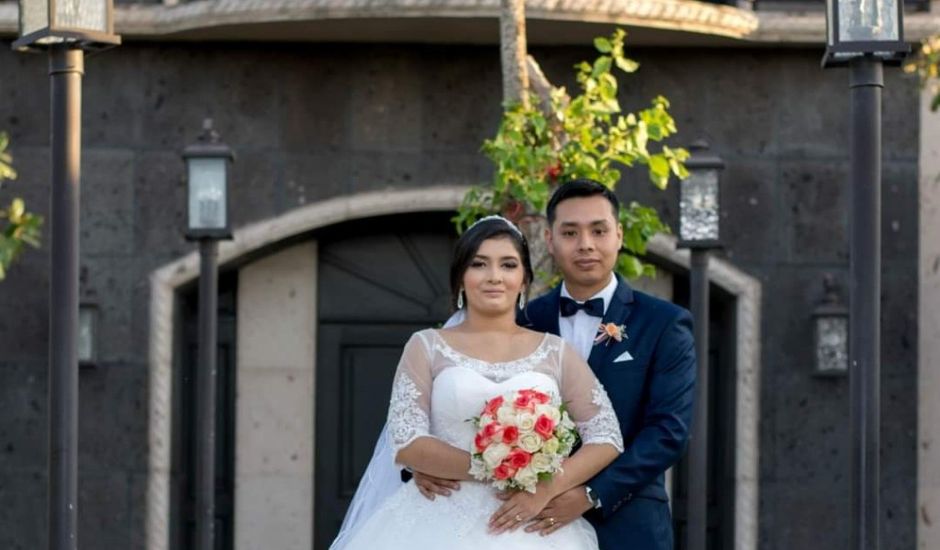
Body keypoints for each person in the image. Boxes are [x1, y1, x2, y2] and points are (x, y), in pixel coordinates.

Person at [415, 179, 697, 549]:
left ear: (619, 235)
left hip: (626, 521)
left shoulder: (663, 323)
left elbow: (668, 432)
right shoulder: (523, 319)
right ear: (549, 240)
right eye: (570, 232)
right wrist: (420, 467)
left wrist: (588, 494)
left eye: (599, 230)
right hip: (521, 525)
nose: (586, 244)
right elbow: (462, 396)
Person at [330, 215, 624, 550]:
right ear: (461, 278)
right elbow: (407, 440)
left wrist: (544, 488)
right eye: (479, 264)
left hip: (530, 521)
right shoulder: (426, 346)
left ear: (524, 280)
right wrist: (504, 466)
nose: (494, 277)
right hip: (434, 522)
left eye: (508, 265)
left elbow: (606, 438)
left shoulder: (556, 352)